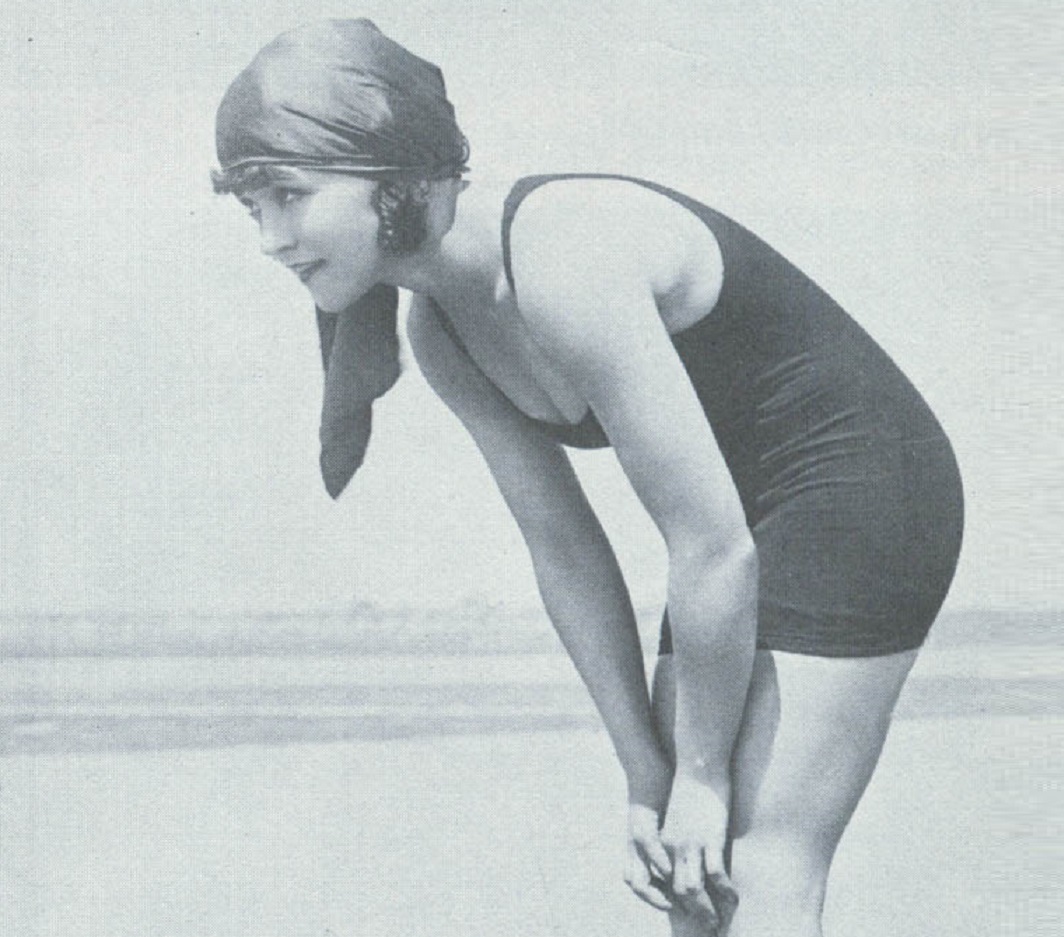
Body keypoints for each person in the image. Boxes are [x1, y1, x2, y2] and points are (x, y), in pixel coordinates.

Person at [214, 19, 964, 937]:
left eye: (289, 194)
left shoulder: (564, 255)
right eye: (252, 208)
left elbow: (710, 543)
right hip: (736, 526)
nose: (271, 237)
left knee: (757, 863)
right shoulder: (442, 334)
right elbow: (566, 551)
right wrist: (646, 773)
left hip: (862, 483)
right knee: (695, 886)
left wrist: (700, 774)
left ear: (396, 176)